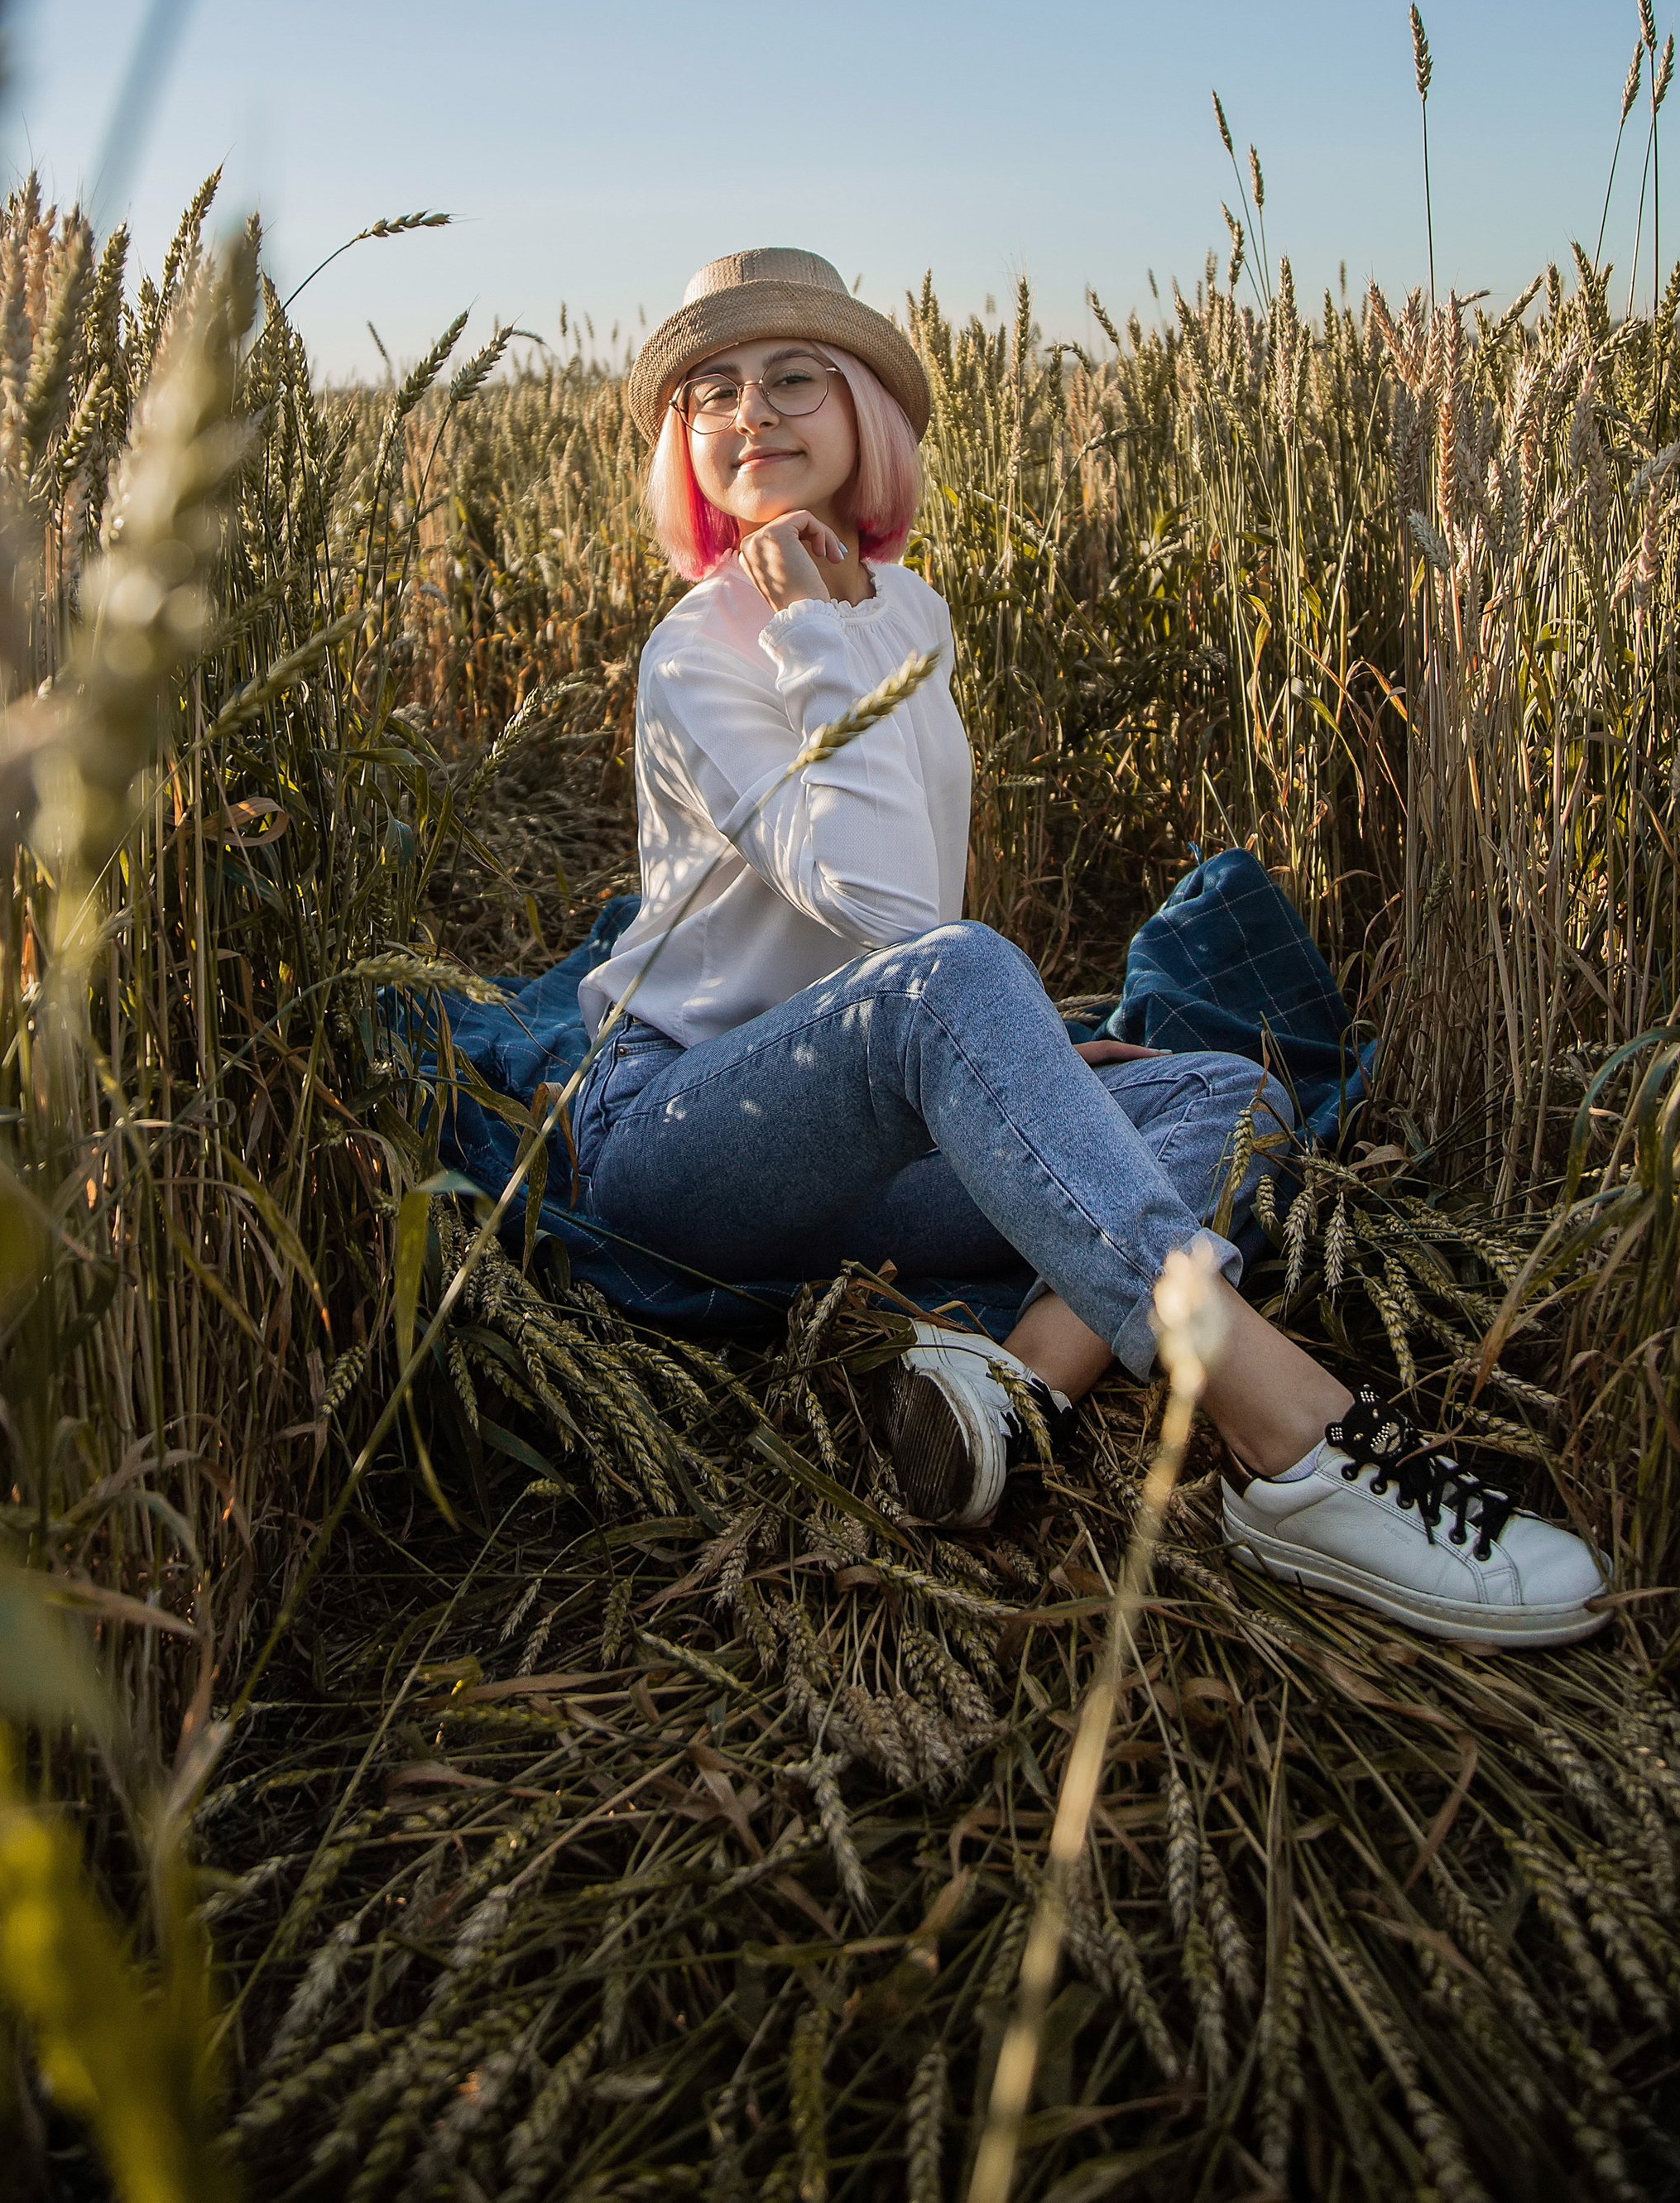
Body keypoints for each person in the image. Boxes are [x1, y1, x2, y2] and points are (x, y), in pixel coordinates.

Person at [570, 247, 1610, 1653]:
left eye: (793, 376)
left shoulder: (913, 611)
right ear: (683, 444)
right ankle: (1297, 1446)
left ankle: (1017, 1384)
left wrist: (1018, 1050)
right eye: (712, 391)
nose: (749, 411)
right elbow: (891, 910)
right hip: (687, 1136)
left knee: (1224, 1092)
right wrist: (813, 629)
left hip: (860, 1150)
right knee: (964, 978)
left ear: (864, 408)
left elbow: (908, 914)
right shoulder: (700, 649)